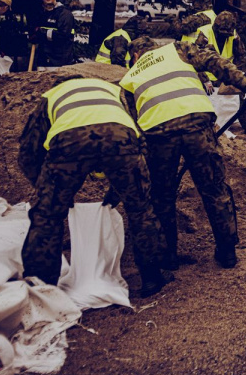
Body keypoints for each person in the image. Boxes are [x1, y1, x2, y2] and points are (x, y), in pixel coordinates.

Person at [17, 76, 172, 297]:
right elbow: (138, 139)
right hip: (121, 136)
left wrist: (48, 190)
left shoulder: (51, 97)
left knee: (47, 218)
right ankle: (152, 277)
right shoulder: (110, 91)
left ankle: (42, 290)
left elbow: (28, 153)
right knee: (141, 210)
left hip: (70, 140)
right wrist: (121, 190)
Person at [120, 36, 246, 270]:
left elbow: (134, 124)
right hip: (197, 124)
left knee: (162, 196)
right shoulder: (175, 49)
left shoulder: (129, 77)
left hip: (158, 134)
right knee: (215, 188)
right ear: (154, 48)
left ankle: (168, 258)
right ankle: (227, 253)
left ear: (135, 56)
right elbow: (213, 61)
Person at [193, 10, 246, 134]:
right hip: (209, 77)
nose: (224, 36)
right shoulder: (205, 34)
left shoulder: (233, 35)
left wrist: (233, 73)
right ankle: (207, 128)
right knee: (205, 103)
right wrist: (205, 80)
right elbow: (196, 59)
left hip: (226, 74)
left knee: (240, 97)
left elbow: (241, 55)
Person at [30, 0, 75, 68]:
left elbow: (62, 35)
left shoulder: (64, 14)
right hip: (42, 61)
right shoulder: (40, 14)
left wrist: (40, 33)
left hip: (59, 63)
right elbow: (33, 32)